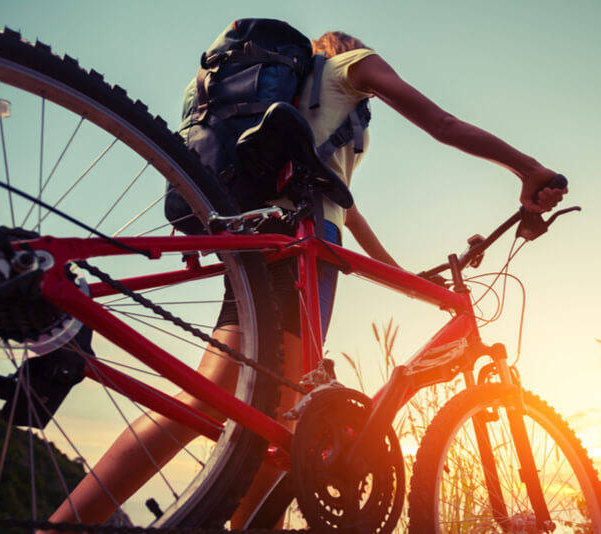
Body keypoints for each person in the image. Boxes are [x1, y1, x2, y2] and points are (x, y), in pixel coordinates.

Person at [46, 29, 565, 530]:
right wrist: (527, 168)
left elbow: (344, 206)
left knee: (265, 423)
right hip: (304, 247)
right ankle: (65, 526)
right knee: (249, 415)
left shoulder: (309, 104)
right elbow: (444, 124)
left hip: (270, 235)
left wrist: (403, 276)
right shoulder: (350, 69)